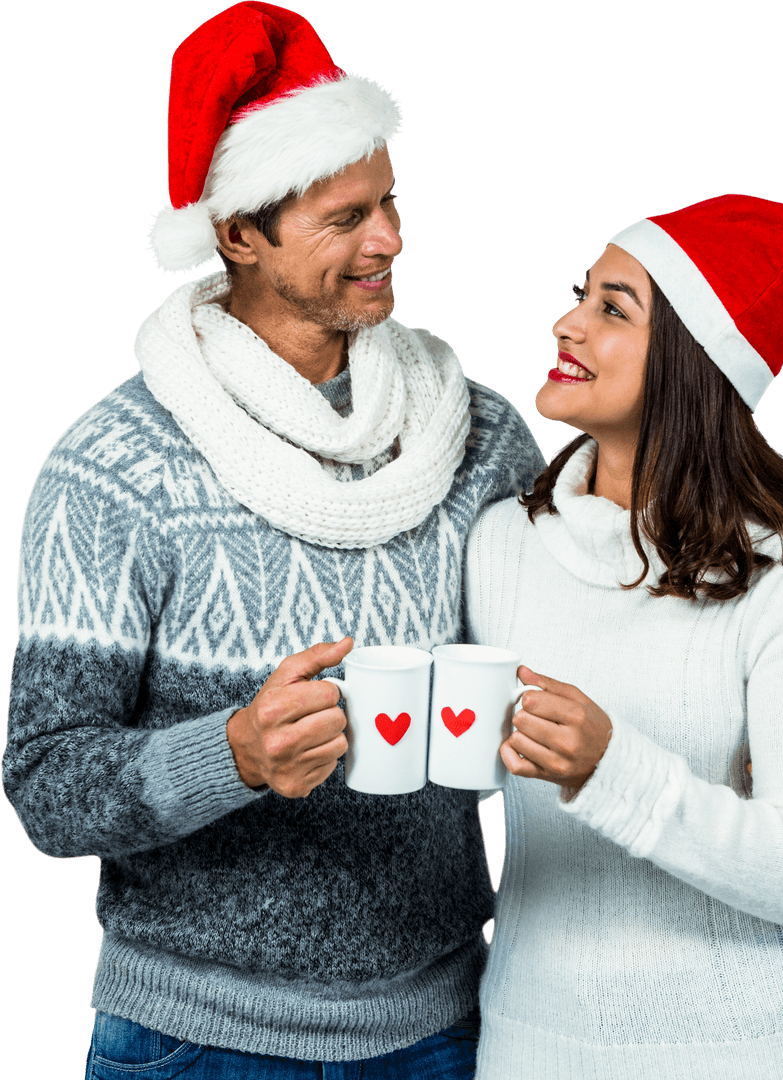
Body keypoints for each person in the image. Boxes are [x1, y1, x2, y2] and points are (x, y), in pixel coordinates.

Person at [1, 4, 544, 1077]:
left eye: (388, 201)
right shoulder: (112, 466)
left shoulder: (478, 436)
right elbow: (44, 786)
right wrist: (233, 755)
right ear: (237, 233)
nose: (387, 238)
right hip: (192, 1043)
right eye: (343, 218)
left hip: (445, 1026)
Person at [464, 194, 783, 1079]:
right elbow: (472, 781)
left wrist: (613, 768)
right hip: (532, 1047)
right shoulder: (501, 546)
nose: (566, 323)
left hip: (754, 1053)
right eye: (582, 295)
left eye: (614, 309)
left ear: (692, 360)